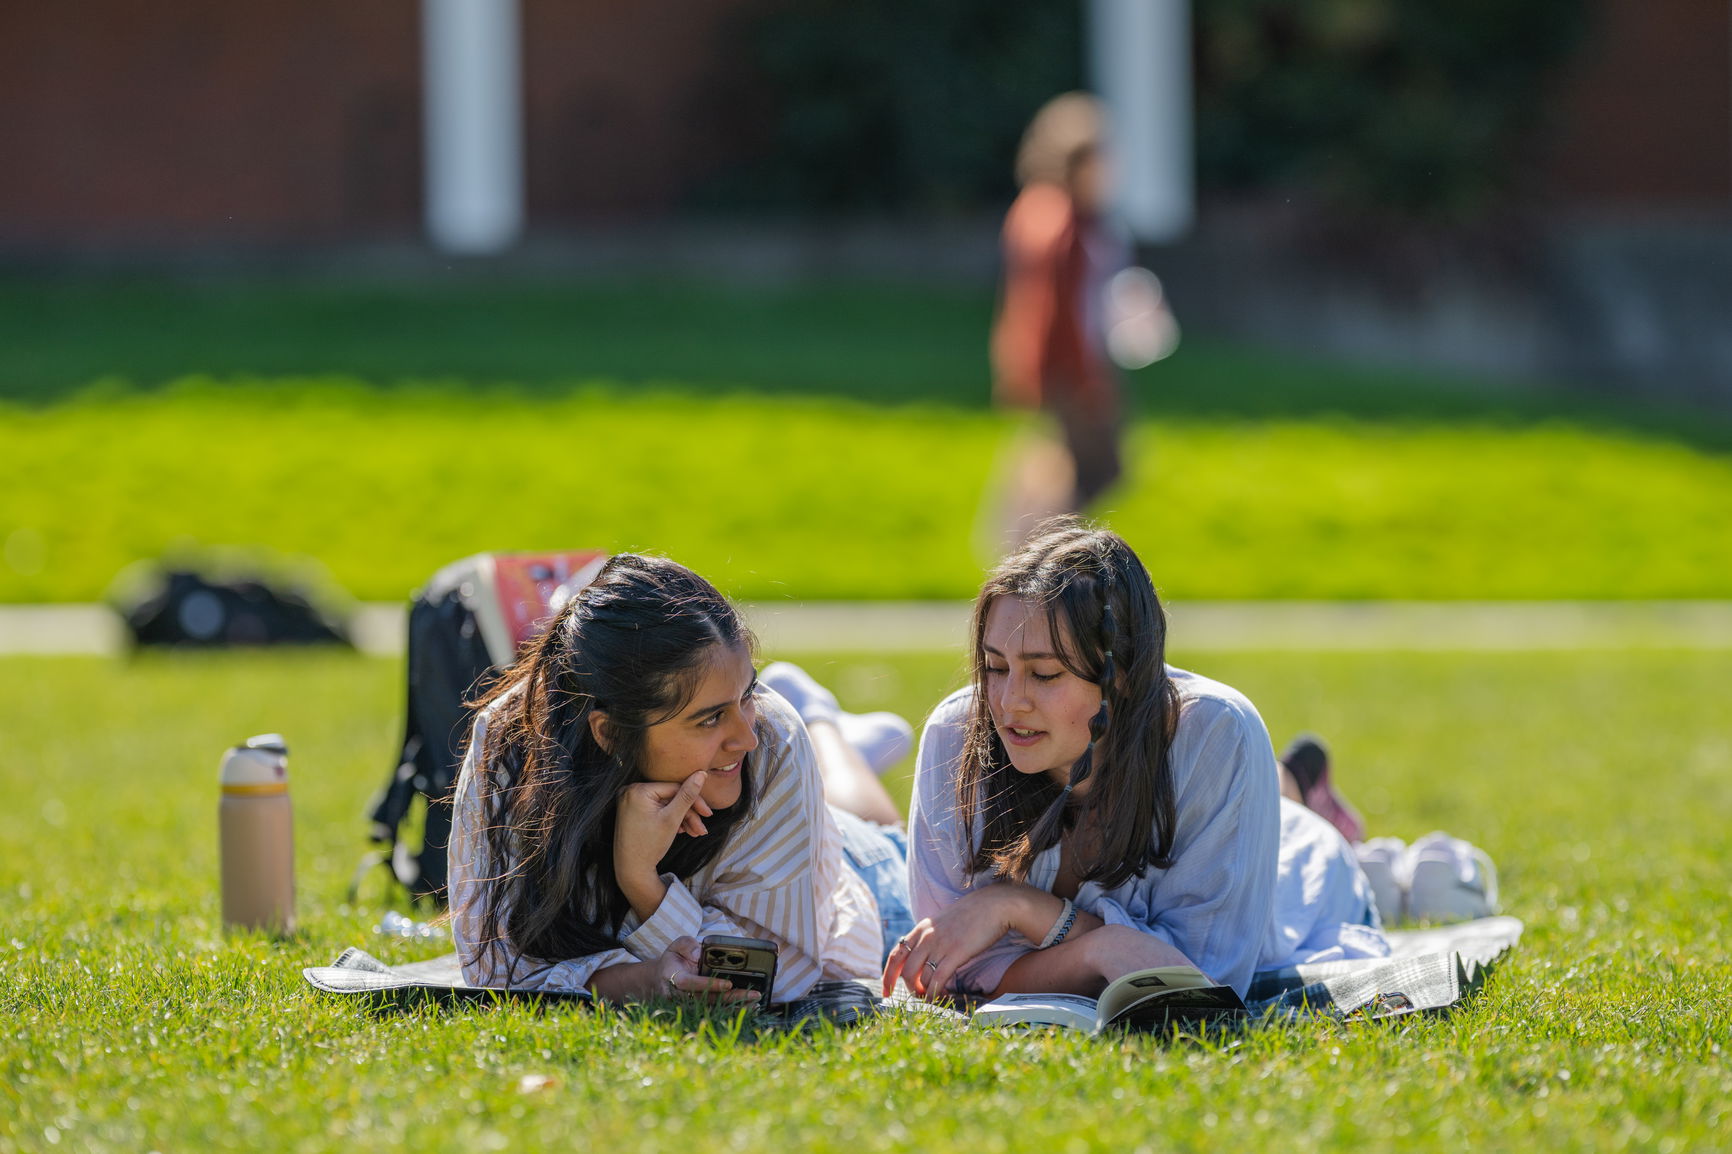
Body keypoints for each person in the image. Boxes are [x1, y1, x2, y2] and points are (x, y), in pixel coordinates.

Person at [884, 518, 1388, 1002]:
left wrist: (1020, 909)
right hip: (1232, 816)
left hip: (1298, 873)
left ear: (1121, 674)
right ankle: (1295, 782)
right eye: (995, 667)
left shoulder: (1219, 731)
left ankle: (1306, 799)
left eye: (1045, 675)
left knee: (1344, 850)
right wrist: (1103, 950)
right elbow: (945, 973)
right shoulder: (957, 735)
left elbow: (1201, 980)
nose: (1009, 701)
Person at [447, 553, 911, 1004]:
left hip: (866, 887)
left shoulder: (773, 738)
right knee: (840, 805)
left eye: (746, 694)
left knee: (882, 834)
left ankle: (820, 718)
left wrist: (643, 883)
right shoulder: (511, 745)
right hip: (799, 834)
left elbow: (780, 975)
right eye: (709, 719)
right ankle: (828, 731)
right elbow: (495, 969)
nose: (744, 739)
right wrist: (647, 977)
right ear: (610, 733)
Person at [988, 93, 1134, 544]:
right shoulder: (1058, 220)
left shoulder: (1041, 210)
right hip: (1066, 363)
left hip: (1052, 359)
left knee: (1064, 457)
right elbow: (1056, 308)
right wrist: (1084, 377)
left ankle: (1030, 543)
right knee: (1096, 466)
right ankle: (1032, 551)